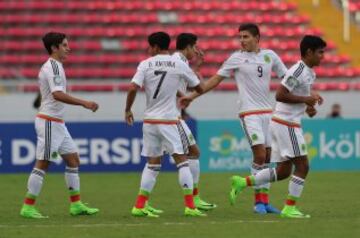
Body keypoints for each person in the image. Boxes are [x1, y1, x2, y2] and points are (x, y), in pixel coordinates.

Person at [181, 23, 287, 214]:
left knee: (269, 157)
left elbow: (287, 79)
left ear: (257, 38)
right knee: (260, 155)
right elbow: (214, 80)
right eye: (240, 37)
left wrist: (308, 95)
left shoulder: (270, 56)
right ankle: (257, 203)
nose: (242, 40)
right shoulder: (236, 58)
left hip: (267, 113)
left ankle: (265, 200)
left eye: (246, 37)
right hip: (249, 113)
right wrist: (191, 97)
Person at [229, 35, 326, 218]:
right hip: (286, 124)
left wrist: (309, 107)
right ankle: (289, 207)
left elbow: (296, 96)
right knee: (303, 166)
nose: (323, 56)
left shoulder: (308, 72)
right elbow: (280, 95)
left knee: (282, 171)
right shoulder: (298, 70)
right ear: (309, 52)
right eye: (320, 52)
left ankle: (242, 182)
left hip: (283, 122)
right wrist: (306, 100)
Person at [125, 32, 206, 217]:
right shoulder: (178, 64)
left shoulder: (145, 64)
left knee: (152, 164)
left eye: (149, 47)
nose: (148, 50)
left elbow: (132, 88)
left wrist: (128, 110)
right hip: (169, 120)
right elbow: (199, 87)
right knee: (182, 161)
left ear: (154, 47)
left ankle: (139, 205)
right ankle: (190, 206)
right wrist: (186, 94)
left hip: (150, 121)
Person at [20, 32, 100, 219]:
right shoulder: (53, 67)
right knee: (43, 163)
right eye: (64, 45)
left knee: (73, 160)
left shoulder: (55, 66)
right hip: (49, 121)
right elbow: (57, 94)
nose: (68, 48)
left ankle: (76, 205)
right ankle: (28, 207)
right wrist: (84, 103)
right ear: (54, 48)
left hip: (57, 123)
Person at [172, 33, 216, 210]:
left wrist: (197, 66)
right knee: (192, 154)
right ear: (188, 47)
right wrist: (185, 97)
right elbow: (175, 86)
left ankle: (142, 203)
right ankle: (192, 201)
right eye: (195, 47)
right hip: (171, 116)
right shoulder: (177, 61)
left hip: (173, 115)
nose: (196, 50)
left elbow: (193, 85)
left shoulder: (182, 62)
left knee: (155, 162)